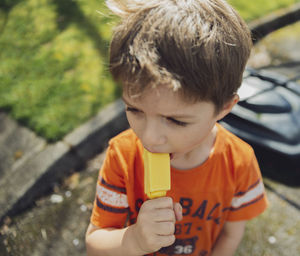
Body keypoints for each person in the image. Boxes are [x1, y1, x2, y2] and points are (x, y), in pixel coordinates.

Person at [85, 0, 268, 255]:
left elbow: (230, 235)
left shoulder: (239, 162)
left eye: (176, 120)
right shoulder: (122, 157)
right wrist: (134, 240)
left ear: (225, 108)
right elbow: (95, 245)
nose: (149, 138)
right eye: (134, 110)